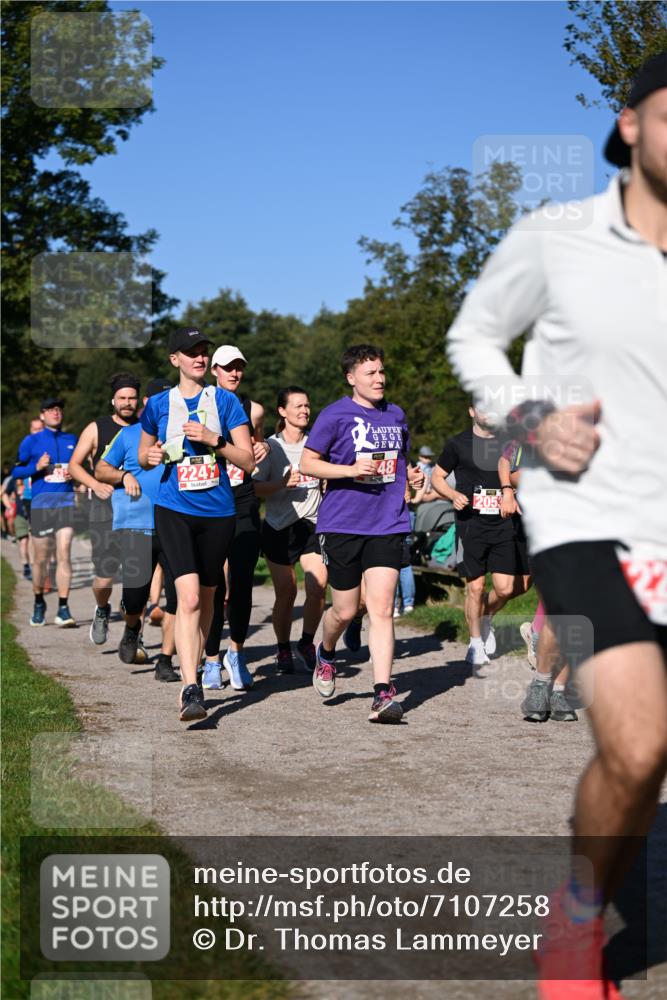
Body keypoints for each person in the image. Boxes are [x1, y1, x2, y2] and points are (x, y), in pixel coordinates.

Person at [445, 51, 667, 1000]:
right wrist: (530, 416)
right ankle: (576, 921)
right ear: (629, 125)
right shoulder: (559, 234)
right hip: (582, 517)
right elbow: (472, 337)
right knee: (640, 743)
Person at [300, 344, 423, 724]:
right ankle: (326, 650)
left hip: (388, 522)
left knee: (382, 608)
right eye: (370, 373)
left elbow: (400, 461)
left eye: (382, 371)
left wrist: (411, 478)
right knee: (346, 609)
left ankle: (383, 693)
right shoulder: (334, 415)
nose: (380, 378)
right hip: (343, 524)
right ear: (351, 378)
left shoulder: (396, 415)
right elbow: (308, 462)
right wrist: (351, 470)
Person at [138, 328, 254, 722]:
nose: (199, 358)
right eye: (191, 353)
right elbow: (143, 452)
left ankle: (201, 669)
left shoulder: (226, 401)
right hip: (173, 509)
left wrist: (213, 439)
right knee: (186, 598)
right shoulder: (157, 404)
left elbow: (248, 461)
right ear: (175, 359)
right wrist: (151, 456)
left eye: (203, 352)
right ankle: (191, 688)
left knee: (206, 599)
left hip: (218, 512)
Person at [95, 378, 180, 680]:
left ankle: (166, 660)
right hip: (136, 526)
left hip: (176, 526)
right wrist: (122, 476)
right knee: (134, 598)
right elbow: (100, 469)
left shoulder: (183, 436)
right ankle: (133, 628)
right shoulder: (129, 434)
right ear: (148, 404)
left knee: (178, 597)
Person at [201, 345, 268, 691]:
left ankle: (236, 653)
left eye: (239, 367)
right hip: (210, 498)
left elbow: (256, 447)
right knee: (214, 584)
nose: (235, 373)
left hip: (243, 499)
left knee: (241, 582)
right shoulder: (200, 403)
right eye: (228, 367)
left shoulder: (252, 409)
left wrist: (265, 446)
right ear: (214, 370)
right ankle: (211, 659)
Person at [431, 406, 519, 666]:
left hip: (503, 522)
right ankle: (475, 643)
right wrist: (452, 494)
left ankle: (486, 616)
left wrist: (513, 494)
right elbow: (437, 477)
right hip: (471, 523)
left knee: (505, 589)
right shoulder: (457, 443)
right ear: (471, 411)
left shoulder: (509, 442)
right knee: (476, 587)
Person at [253, 386, 327, 673]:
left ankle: (306, 642)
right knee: (286, 592)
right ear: (282, 411)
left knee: (318, 585)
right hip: (279, 527)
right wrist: (282, 484)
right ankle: (283, 648)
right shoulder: (271, 447)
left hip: (311, 525)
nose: (304, 411)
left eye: (307, 406)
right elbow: (256, 489)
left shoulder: (318, 445)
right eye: (298, 406)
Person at [68, 373, 141, 646]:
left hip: (137, 508)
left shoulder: (146, 428)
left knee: (137, 575)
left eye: (131, 398)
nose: (127, 403)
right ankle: (102, 608)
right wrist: (94, 484)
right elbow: (75, 464)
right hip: (104, 508)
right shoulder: (96, 428)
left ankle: (134, 632)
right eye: (122, 398)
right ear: (113, 400)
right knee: (104, 576)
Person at [12, 397, 78, 627]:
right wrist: (37, 468)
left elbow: (81, 467)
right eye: (50, 410)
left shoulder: (72, 439)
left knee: (64, 552)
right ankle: (39, 601)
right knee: (40, 560)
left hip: (66, 503)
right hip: (42, 505)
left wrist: (75, 474)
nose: (55, 413)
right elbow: (17, 471)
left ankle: (63, 607)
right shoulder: (31, 441)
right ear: (42, 415)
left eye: (59, 409)